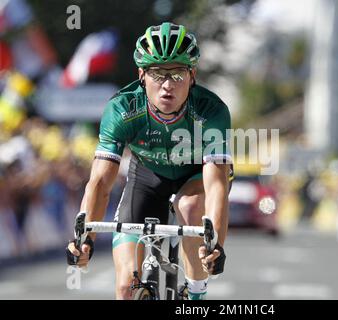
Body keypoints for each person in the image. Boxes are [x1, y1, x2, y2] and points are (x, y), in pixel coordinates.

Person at [66, 22, 232, 300]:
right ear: (142, 74)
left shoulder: (211, 111)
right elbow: (100, 182)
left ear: (192, 75)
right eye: (157, 74)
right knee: (124, 289)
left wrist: (215, 246)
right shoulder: (122, 109)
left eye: (177, 74)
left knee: (190, 205)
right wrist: (84, 240)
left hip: (195, 177)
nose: (167, 85)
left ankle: (194, 294)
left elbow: (216, 187)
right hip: (147, 176)